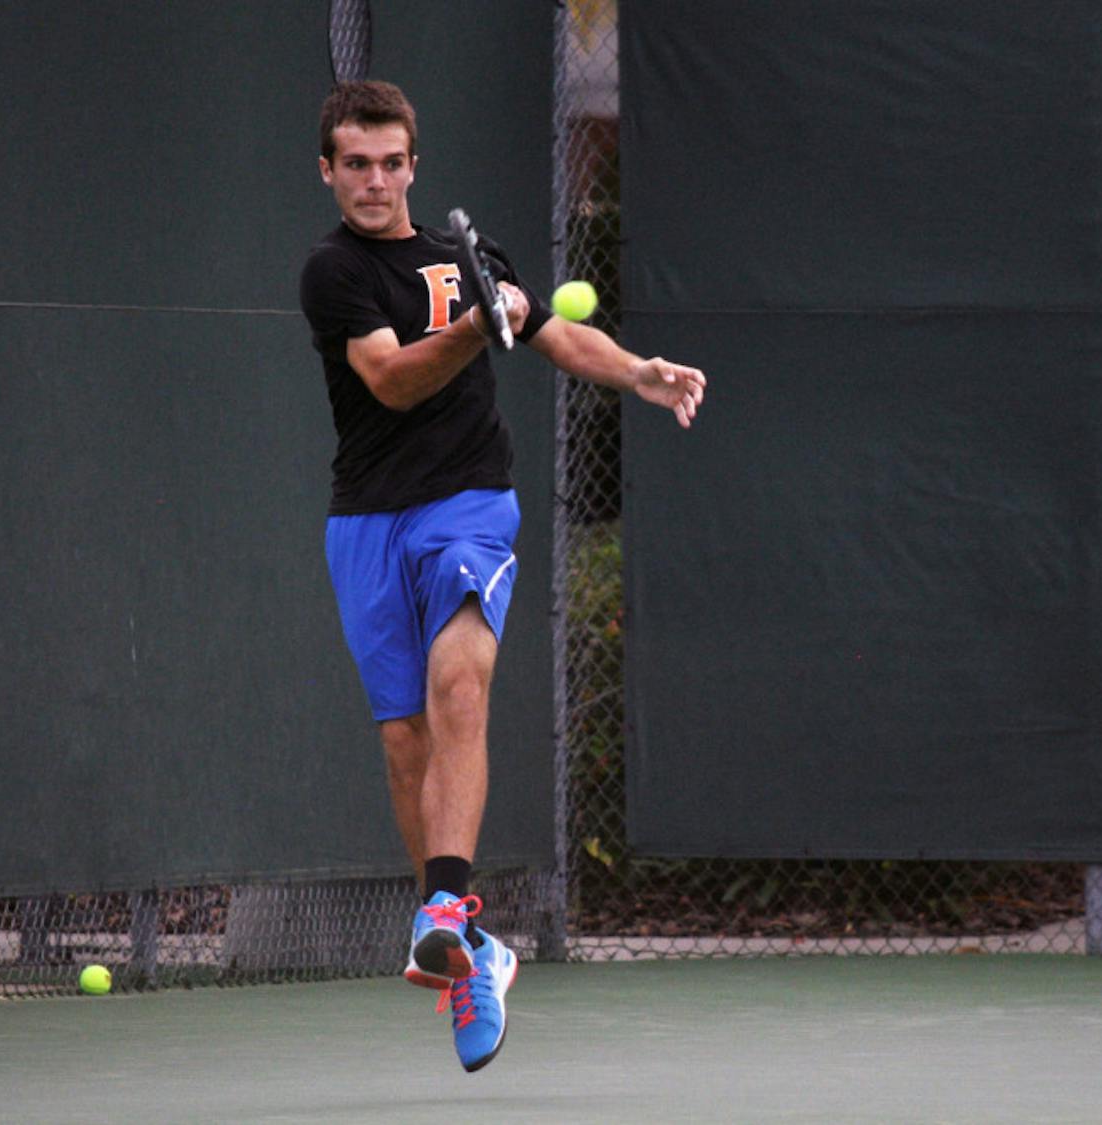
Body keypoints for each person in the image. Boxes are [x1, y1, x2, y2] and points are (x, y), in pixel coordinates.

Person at [299, 80, 706, 1073]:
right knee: (404, 744)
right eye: (356, 163)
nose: (375, 181)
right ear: (328, 170)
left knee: (459, 687)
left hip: (469, 505)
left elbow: (558, 336)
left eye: (392, 162)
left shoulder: (463, 257)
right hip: (365, 523)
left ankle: (444, 904)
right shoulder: (333, 272)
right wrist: (484, 323)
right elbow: (392, 382)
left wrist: (640, 371)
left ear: (414, 165)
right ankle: (469, 955)